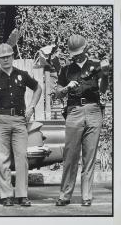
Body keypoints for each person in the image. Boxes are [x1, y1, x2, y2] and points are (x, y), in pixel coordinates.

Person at [0, 43, 42, 207]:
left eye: (8, 56)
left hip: (19, 119)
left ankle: (22, 195)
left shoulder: (22, 74)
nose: (5, 59)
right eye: (2, 57)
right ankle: (6, 195)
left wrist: (32, 107)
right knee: (1, 158)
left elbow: (38, 88)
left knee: (21, 158)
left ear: (13, 57)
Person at [55, 34, 109, 207]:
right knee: (70, 156)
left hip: (93, 110)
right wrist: (66, 87)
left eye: (79, 52)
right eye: (74, 53)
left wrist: (106, 75)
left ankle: (86, 196)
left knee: (89, 156)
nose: (76, 56)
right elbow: (57, 93)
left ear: (85, 49)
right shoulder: (66, 70)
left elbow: (102, 89)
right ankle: (65, 195)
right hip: (74, 111)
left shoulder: (96, 66)